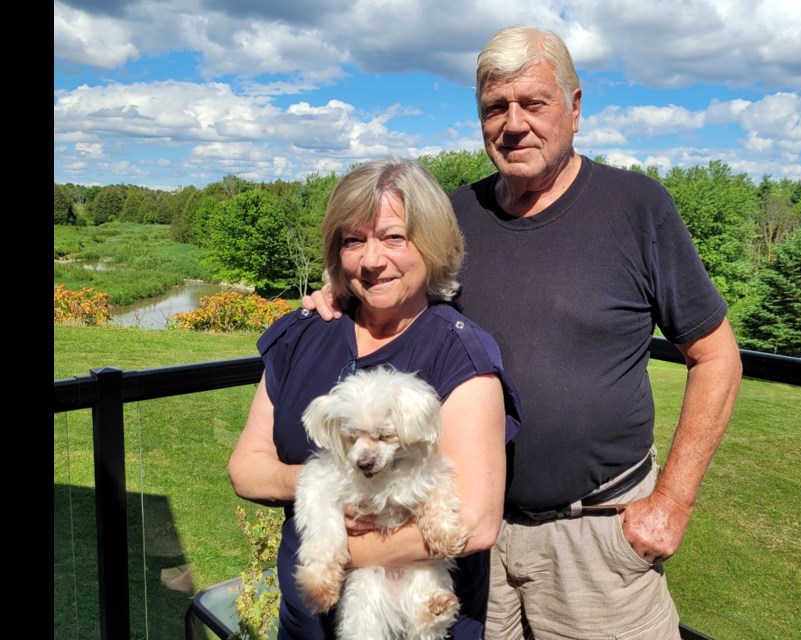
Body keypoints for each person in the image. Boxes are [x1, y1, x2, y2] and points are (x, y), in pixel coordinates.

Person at [306, 25, 742, 640]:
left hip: (597, 534)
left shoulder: (637, 208)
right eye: (494, 108)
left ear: (575, 107)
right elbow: (391, 289)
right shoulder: (453, 217)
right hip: (468, 534)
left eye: (533, 103)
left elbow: (717, 356)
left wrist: (672, 503)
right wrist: (341, 290)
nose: (512, 124)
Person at [229, 157, 521, 640]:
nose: (370, 259)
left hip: (418, 620)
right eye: (353, 240)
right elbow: (246, 467)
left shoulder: (460, 353)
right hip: (304, 626)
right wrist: (328, 481)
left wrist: (330, 552)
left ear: (431, 244)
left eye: (393, 237)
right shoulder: (304, 333)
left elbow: (475, 521)